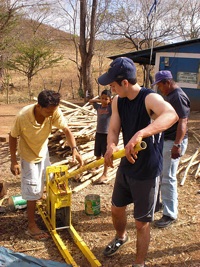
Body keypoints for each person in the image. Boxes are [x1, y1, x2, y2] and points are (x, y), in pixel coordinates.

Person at [98, 57, 178, 267]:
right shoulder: (118, 100)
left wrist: (142, 132)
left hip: (147, 170)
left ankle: (139, 263)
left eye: (113, 85)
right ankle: (121, 236)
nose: (111, 89)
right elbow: (114, 129)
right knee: (116, 209)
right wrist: (110, 146)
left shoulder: (149, 98)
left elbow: (171, 115)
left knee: (142, 223)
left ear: (125, 83)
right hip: (126, 164)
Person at [9, 89, 83, 241]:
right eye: (48, 112)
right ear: (39, 106)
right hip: (28, 155)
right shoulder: (23, 116)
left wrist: (74, 150)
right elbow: (12, 136)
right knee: (32, 191)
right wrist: (14, 161)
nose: (51, 115)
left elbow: (66, 130)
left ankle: (49, 210)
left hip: (43, 151)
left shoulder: (54, 110)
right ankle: (31, 226)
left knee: (47, 182)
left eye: (53, 111)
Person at [152, 70, 190, 228]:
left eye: (160, 86)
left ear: (168, 82)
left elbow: (183, 121)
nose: (160, 89)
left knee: (168, 177)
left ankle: (170, 214)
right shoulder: (170, 95)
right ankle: (160, 204)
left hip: (173, 141)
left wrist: (177, 144)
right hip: (166, 140)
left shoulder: (177, 96)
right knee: (161, 174)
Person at [89, 89, 112, 184]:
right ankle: (98, 166)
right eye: (102, 98)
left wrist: (108, 100)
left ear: (110, 100)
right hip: (98, 133)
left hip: (107, 134)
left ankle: (105, 173)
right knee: (97, 153)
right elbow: (90, 101)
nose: (104, 101)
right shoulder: (98, 107)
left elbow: (115, 100)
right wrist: (100, 100)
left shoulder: (111, 108)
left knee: (105, 154)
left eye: (106, 99)